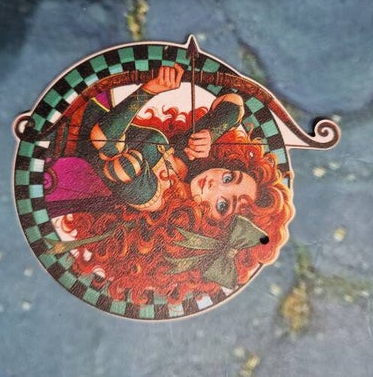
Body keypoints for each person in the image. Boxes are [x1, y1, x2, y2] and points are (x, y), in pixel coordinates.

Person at [49, 64, 294, 304]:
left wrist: (150, 90)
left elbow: (103, 138)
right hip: (80, 99)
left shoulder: (152, 196)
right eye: (229, 178)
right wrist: (210, 135)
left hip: (62, 132)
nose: (215, 184)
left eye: (222, 205)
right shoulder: (184, 163)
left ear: (207, 228)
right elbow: (234, 105)